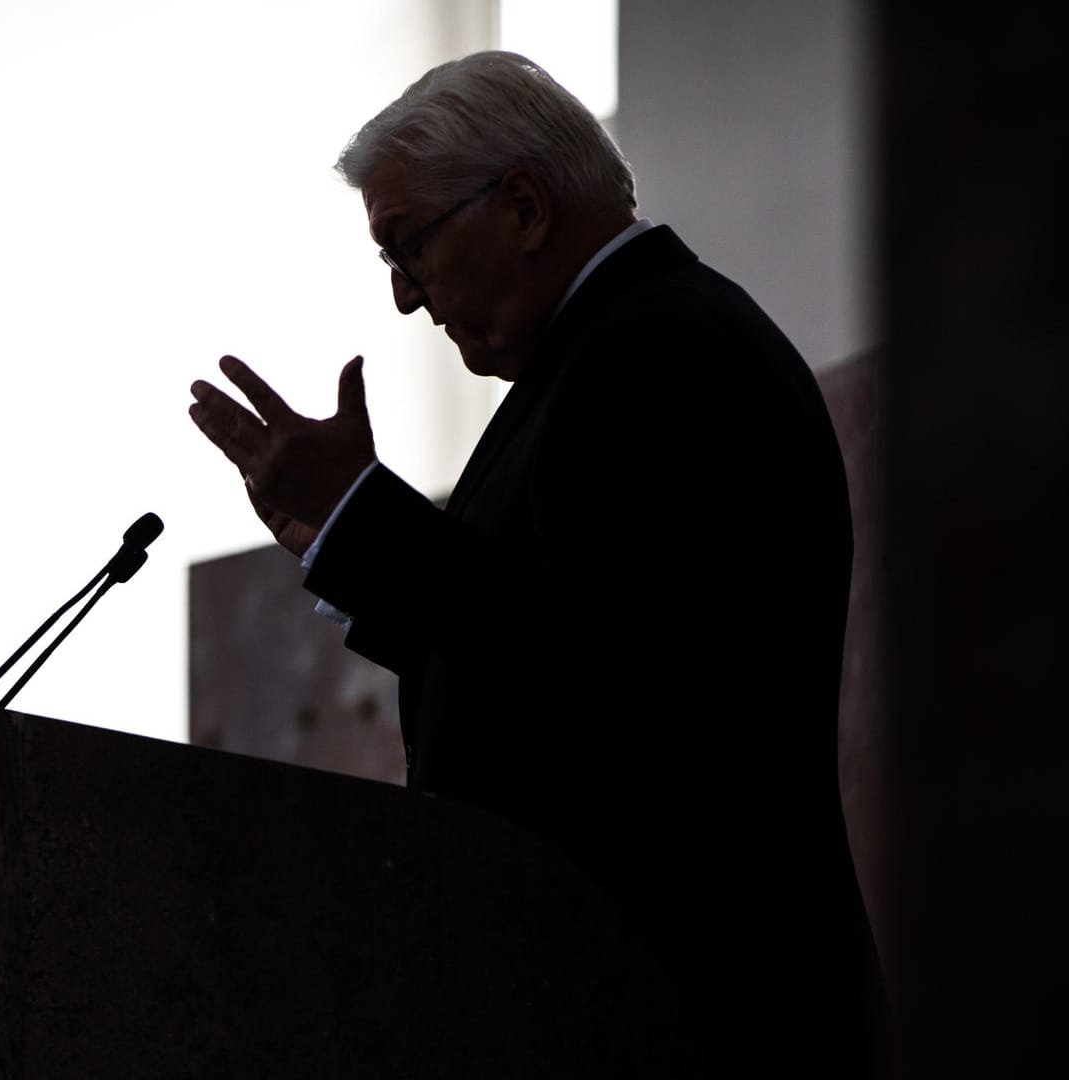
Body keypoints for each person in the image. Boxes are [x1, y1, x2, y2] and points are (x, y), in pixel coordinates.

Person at [188, 51, 883, 1075]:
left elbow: (594, 672)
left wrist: (364, 523)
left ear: (521, 206)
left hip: (685, 1002)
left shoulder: (656, 351)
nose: (404, 300)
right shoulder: (620, 347)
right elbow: (543, 636)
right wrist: (347, 540)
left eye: (408, 248)